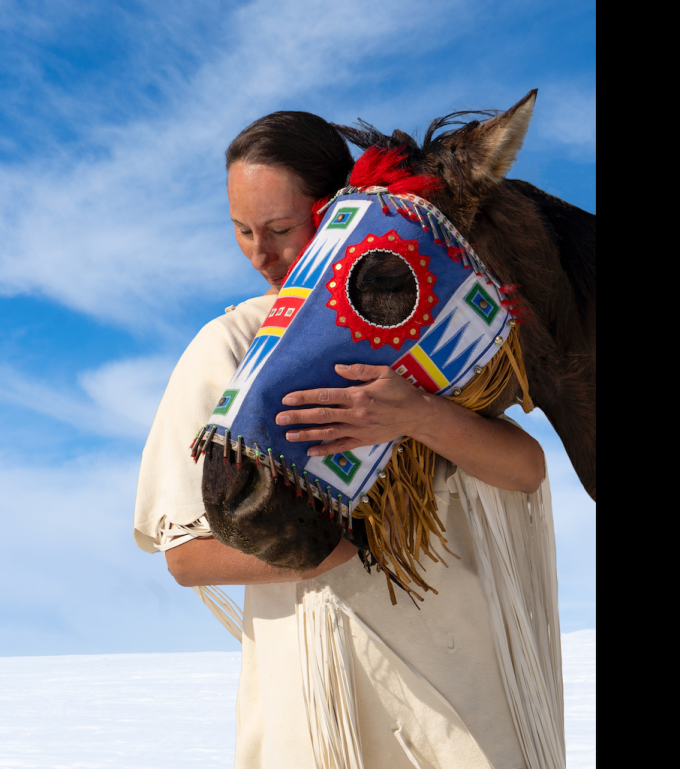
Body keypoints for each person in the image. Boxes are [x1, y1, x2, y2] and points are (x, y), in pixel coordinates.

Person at [133, 111, 561, 769]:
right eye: (242, 232)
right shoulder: (232, 347)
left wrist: (415, 416)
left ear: (340, 213)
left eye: (279, 228)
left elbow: (524, 469)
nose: (261, 254)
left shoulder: (416, 325)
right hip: (324, 700)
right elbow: (187, 555)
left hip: (463, 693)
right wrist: (340, 547)